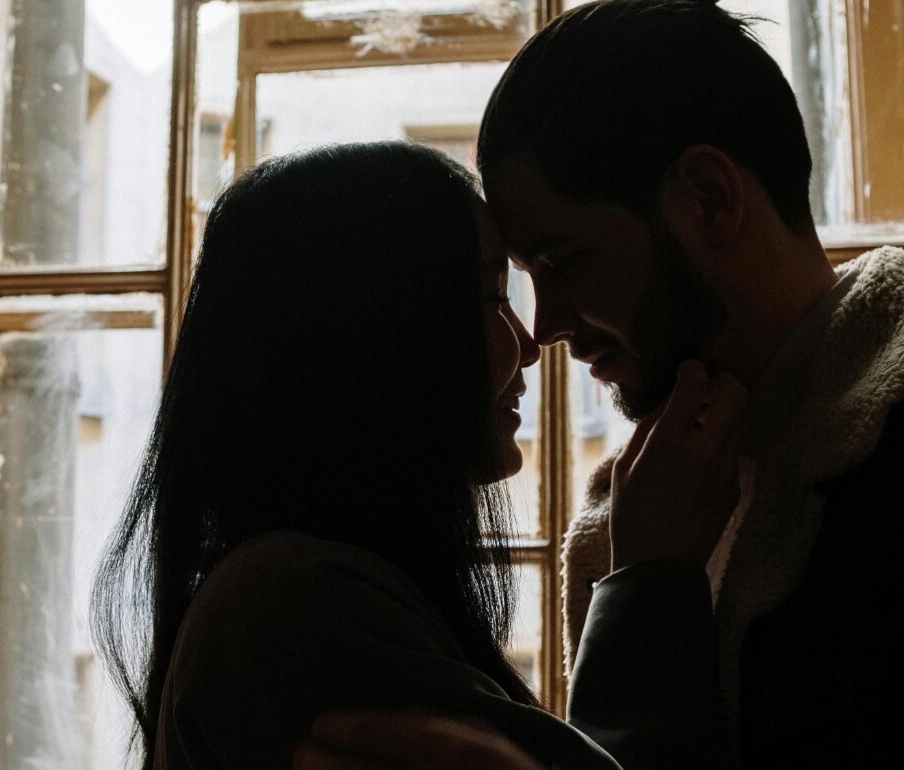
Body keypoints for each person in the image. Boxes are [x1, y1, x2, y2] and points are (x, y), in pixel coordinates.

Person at [297, 1, 904, 768]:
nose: (544, 328)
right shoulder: (643, 507)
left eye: (566, 262)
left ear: (710, 199)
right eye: (519, 281)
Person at [92, 141, 650, 770]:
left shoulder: (297, 591)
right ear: (383, 338)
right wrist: (649, 579)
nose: (529, 344)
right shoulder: (297, 613)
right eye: (494, 298)